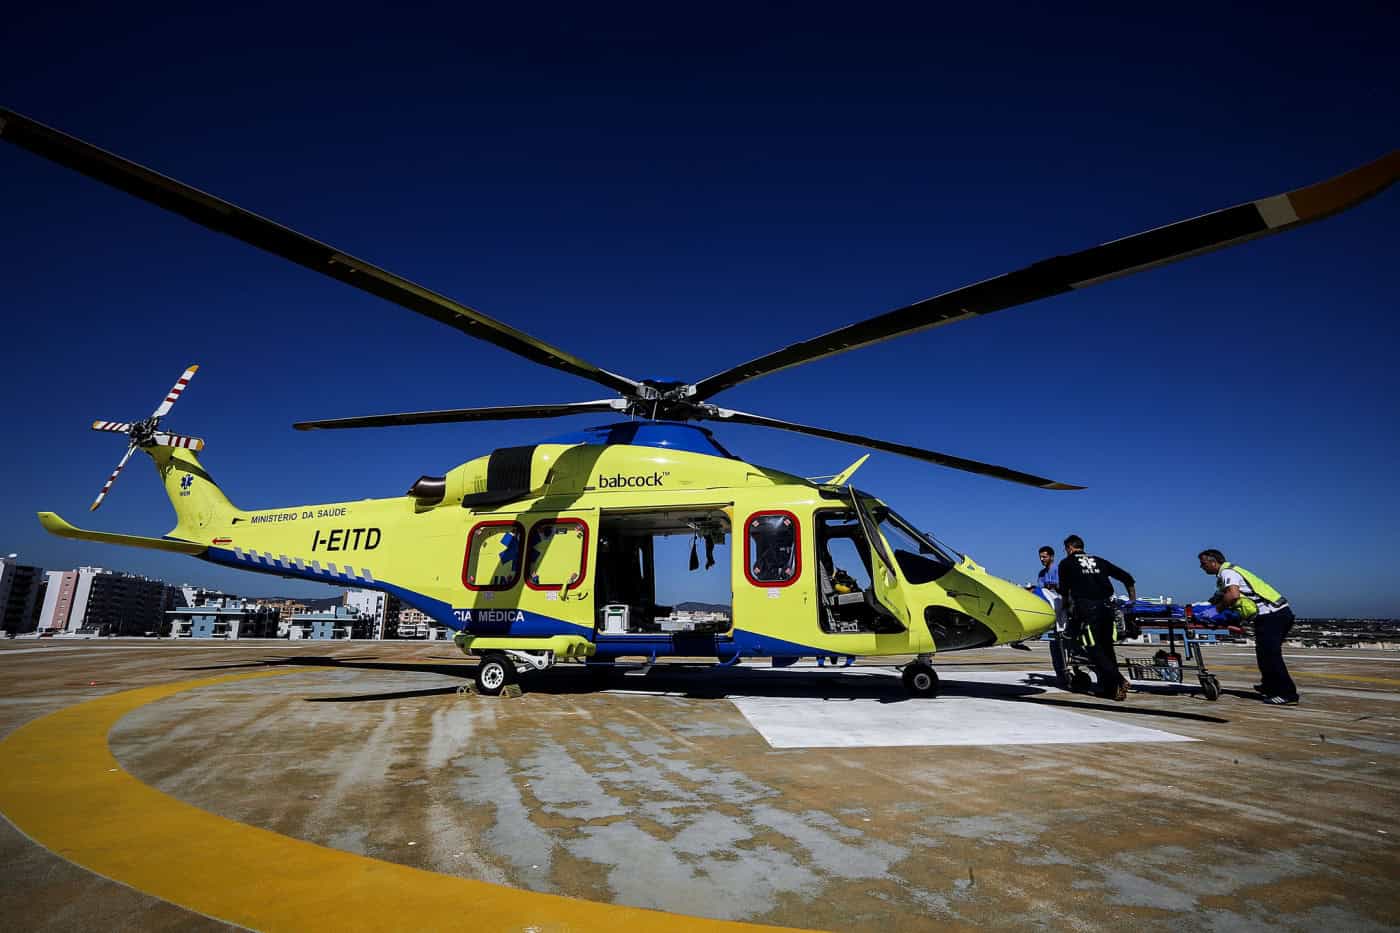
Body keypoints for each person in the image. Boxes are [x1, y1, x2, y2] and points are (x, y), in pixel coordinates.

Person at [1198, 549, 1297, 705]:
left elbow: (1233, 595)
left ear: (1213, 562)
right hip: (1272, 615)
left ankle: (1288, 694)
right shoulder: (1228, 574)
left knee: (1271, 655)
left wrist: (1213, 612)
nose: (1201, 567)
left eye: (1203, 564)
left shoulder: (1228, 573)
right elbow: (1219, 597)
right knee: (1263, 654)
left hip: (1273, 615)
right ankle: (1270, 686)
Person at [1058, 534, 1137, 700]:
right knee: (1108, 649)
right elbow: (1127, 577)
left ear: (1069, 548)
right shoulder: (1099, 560)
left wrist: (1065, 608)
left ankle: (1119, 680)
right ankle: (1112, 690)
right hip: (1108, 608)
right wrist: (1132, 599)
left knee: (1094, 649)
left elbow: (1065, 591)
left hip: (1087, 609)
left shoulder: (1066, 563)